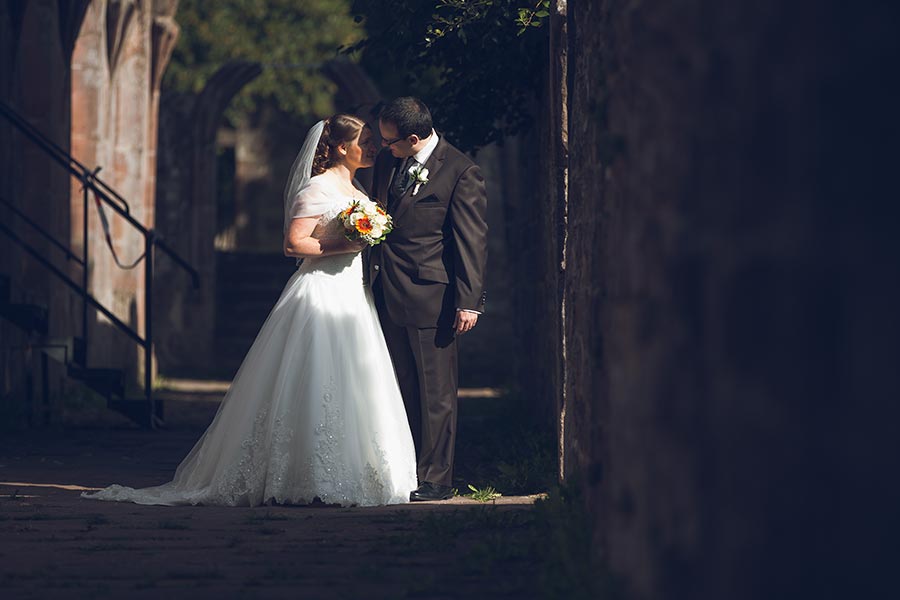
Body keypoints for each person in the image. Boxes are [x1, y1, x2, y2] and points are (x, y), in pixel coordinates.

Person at [82, 115, 417, 507]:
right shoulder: (318, 187)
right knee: (315, 377)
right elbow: (294, 245)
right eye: (367, 142)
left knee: (358, 380)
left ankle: (358, 473)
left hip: (353, 296)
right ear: (343, 147)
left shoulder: (354, 186)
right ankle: (300, 475)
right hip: (321, 292)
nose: (374, 148)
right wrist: (346, 245)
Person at [368, 97, 488, 502]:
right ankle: (406, 470)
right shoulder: (388, 164)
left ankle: (437, 479)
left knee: (436, 393)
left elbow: (470, 240)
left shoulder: (460, 171)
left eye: (390, 141)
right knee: (400, 387)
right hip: (386, 292)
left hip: (432, 297)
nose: (383, 148)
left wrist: (469, 300)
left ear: (413, 137)